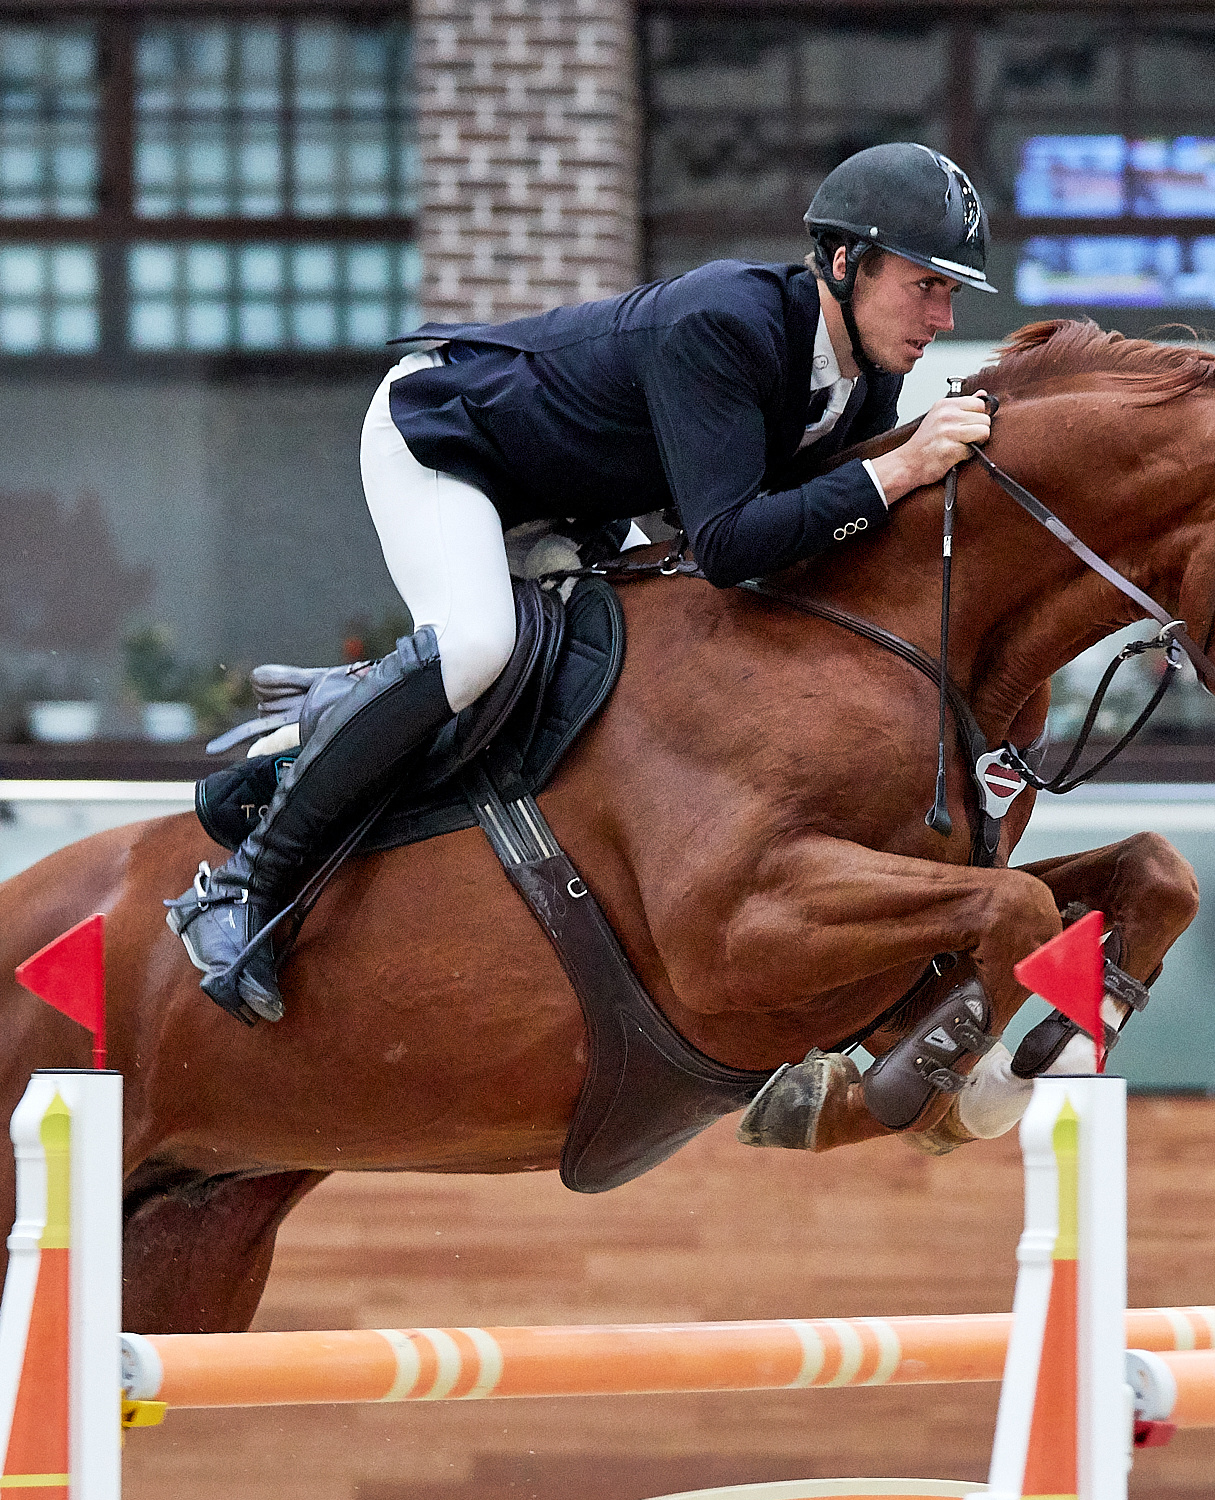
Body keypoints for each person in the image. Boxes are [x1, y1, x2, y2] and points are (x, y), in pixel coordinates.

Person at [169, 142, 1002, 1023]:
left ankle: (324, 735)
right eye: (927, 286)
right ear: (844, 262)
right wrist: (898, 471)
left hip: (575, 498)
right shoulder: (728, 322)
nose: (941, 317)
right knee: (478, 644)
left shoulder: (861, 382)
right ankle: (239, 890)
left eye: (950, 293)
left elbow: (801, 540)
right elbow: (724, 542)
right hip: (451, 441)